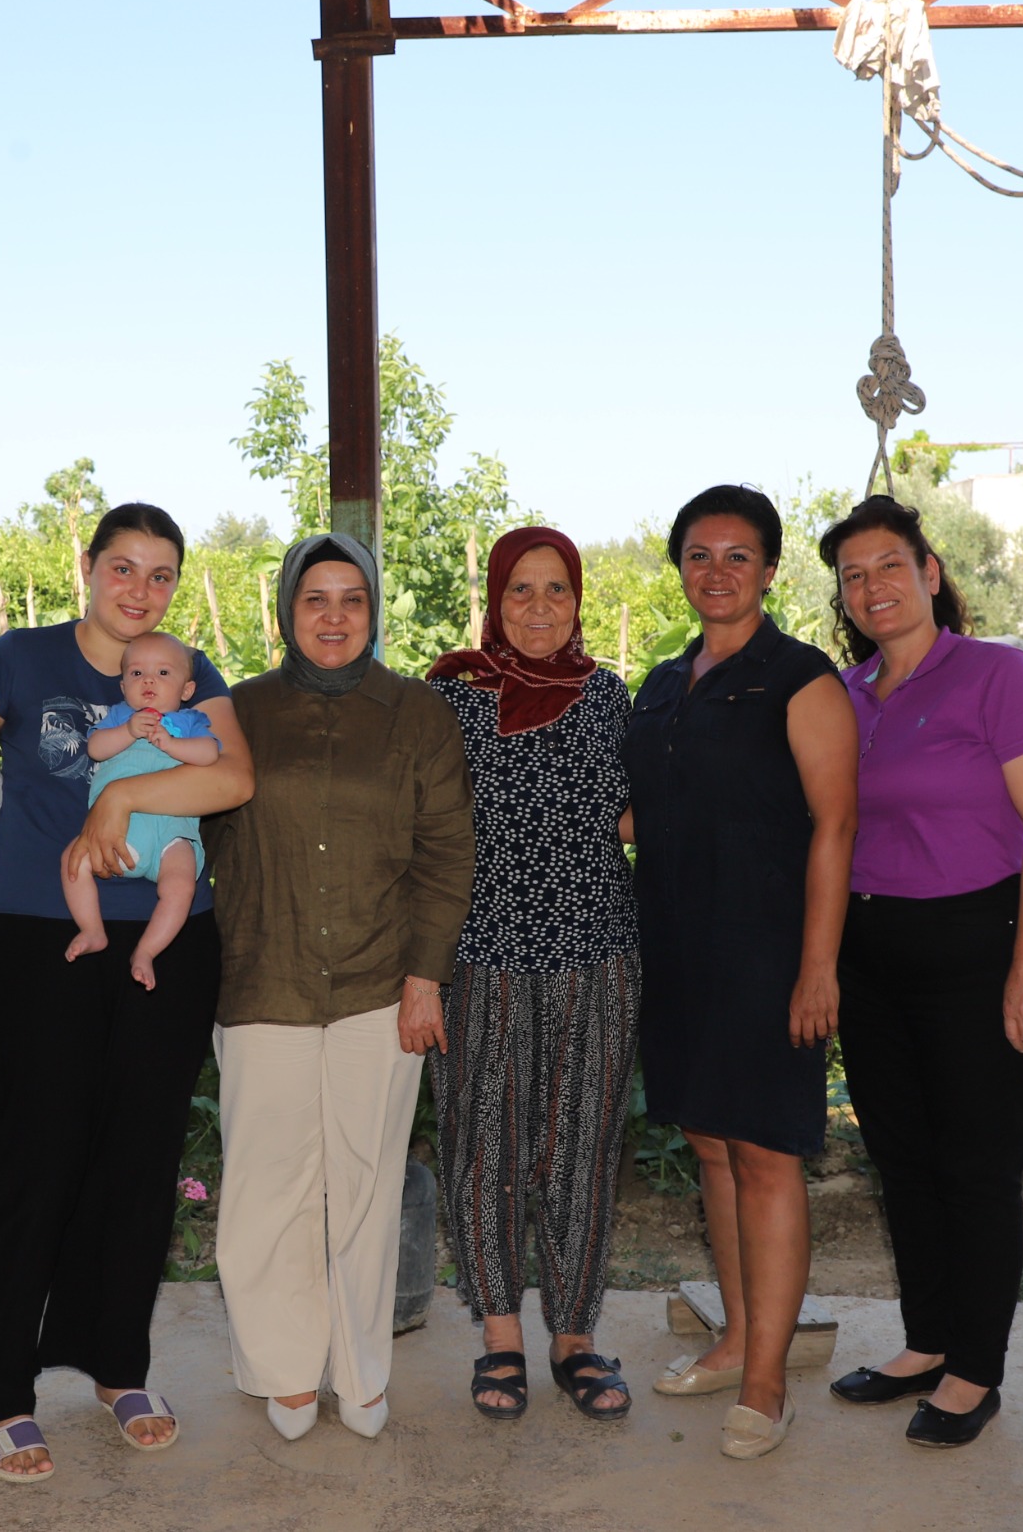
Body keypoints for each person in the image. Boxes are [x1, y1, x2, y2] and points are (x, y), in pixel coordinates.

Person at [0, 503, 254, 1482]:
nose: (140, 589)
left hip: (168, 935)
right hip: (42, 928)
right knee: (37, 1151)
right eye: (123, 567)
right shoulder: (22, 656)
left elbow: (232, 779)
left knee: (141, 1153)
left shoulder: (191, 670)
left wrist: (122, 796)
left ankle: (117, 1364)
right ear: (87, 566)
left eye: (161, 574)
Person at [203, 535, 475, 1442]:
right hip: (263, 976)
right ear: (287, 610)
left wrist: (426, 976)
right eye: (314, 598)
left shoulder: (419, 713)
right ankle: (284, 1370)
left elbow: (448, 853)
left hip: (380, 982)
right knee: (266, 1185)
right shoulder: (239, 710)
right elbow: (192, 825)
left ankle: (359, 1370)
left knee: (365, 1183)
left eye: (351, 599)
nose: (333, 616)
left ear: (373, 610)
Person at [818, 493, 1023, 1450]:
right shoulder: (845, 695)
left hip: (972, 945)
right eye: (853, 575)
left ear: (929, 573)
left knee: (976, 1164)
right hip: (869, 954)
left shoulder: (998, 675)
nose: (872, 586)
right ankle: (927, 1341)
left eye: (890, 565)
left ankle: (976, 1368)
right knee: (901, 1157)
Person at [624, 484, 857, 1463]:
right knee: (711, 1148)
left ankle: (767, 1381)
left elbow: (835, 825)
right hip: (676, 951)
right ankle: (733, 1340)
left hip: (767, 954)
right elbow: (644, 809)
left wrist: (817, 967)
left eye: (736, 555)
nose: (715, 571)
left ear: (768, 569)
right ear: (679, 566)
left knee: (763, 1155)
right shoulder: (661, 684)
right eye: (698, 554)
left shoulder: (800, 678)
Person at [424, 527, 642, 1423]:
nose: (541, 607)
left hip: (597, 952)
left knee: (581, 1148)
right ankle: (502, 1336)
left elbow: (634, 815)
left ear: (578, 600)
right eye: (522, 589)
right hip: (483, 955)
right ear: (495, 599)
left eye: (558, 589)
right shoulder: (452, 697)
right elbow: (423, 829)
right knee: (483, 1147)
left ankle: (575, 1340)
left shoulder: (608, 696)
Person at [62, 630, 221, 986]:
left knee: (181, 887)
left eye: (163, 673)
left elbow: (210, 754)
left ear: (186, 690)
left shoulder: (190, 722)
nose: (148, 680)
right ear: (123, 687)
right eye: (137, 673)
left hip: (172, 831)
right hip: (117, 831)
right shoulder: (119, 717)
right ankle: (92, 929)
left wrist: (173, 744)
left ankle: (147, 950)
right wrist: (129, 731)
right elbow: (96, 749)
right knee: (72, 860)